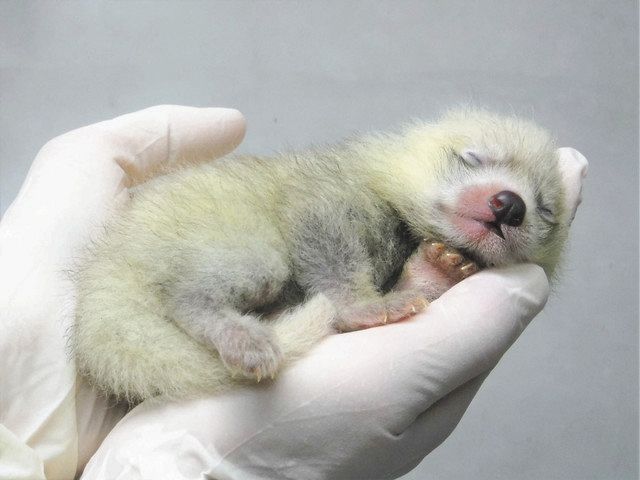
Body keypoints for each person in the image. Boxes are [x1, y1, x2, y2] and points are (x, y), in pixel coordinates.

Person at [0, 106, 582, 479]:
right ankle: (202, 311)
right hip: (212, 242)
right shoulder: (356, 183)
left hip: (248, 302)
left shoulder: (437, 242)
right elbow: (320, 226)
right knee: (255, 267)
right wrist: (352, 298)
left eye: (545, 212)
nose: (512, 202)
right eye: (474, 160)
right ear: (413, 145)